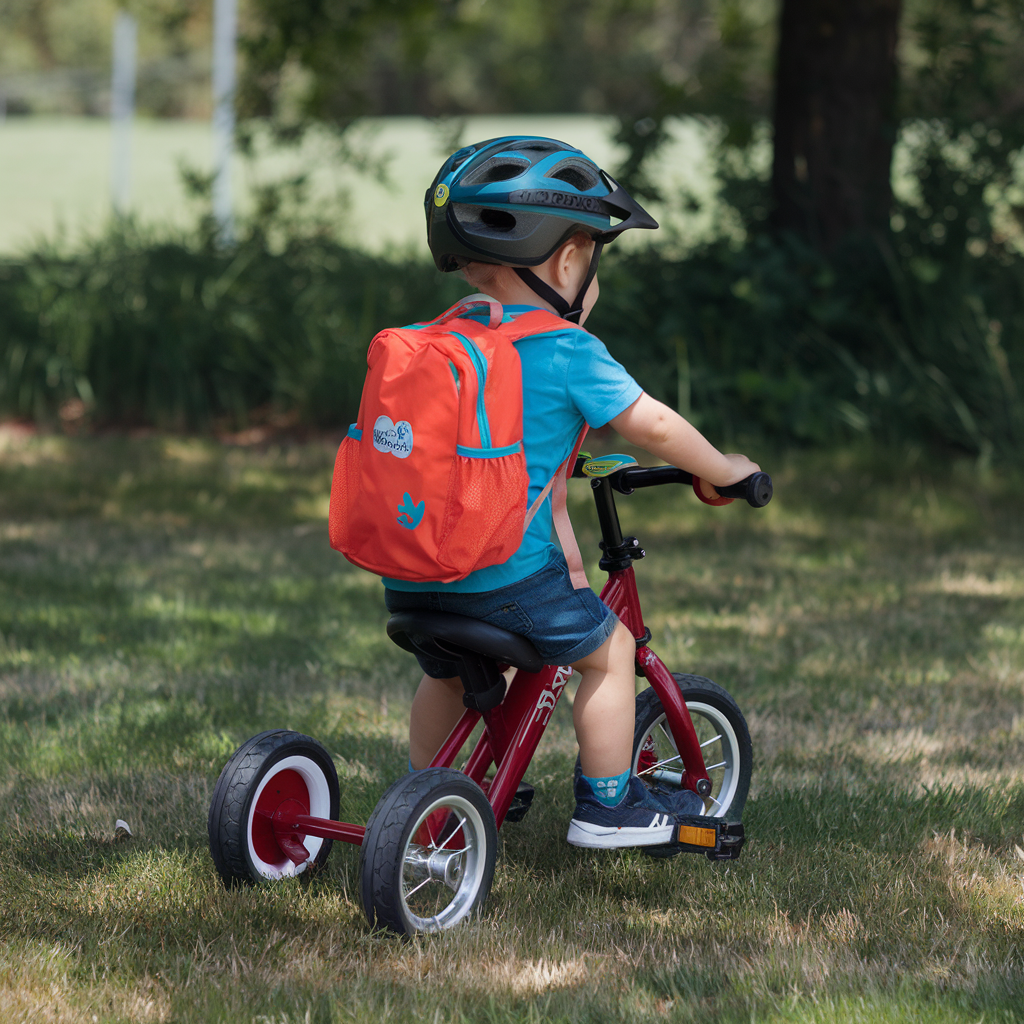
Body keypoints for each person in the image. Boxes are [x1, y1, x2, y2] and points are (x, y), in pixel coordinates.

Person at [384, 137, 759, 848]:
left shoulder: (446, 333)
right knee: (610, 651)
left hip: (414, 574)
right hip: (502, 581)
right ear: (565, 261)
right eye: (594, 258)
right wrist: (723, 468)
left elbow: (525, 478)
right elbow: (651, 425)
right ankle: (607, 806)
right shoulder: (566, 350)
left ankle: (424, 795)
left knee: (451, 675)